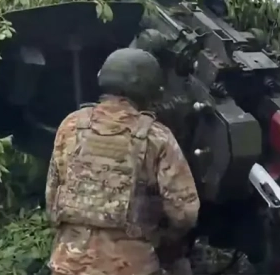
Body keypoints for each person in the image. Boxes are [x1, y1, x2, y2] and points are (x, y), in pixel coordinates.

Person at [44, 48, 201, 275]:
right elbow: (185, 212)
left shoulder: (71, 125)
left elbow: (52, 199)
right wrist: (163, 238)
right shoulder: (156, 137)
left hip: (68, 264)